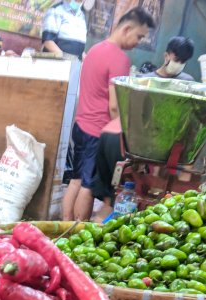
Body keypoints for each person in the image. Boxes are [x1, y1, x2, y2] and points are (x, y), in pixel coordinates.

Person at [61, 7, 156, 222]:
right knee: (87, 185)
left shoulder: (94, 49)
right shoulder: (120, 59)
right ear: (127, 28)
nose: (138, 42)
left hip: (80, 125)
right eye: (139, 36)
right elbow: (114, 106)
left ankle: (63, 228)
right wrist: (124, 133)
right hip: (98, 131)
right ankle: (79, 231)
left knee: (75, 180)